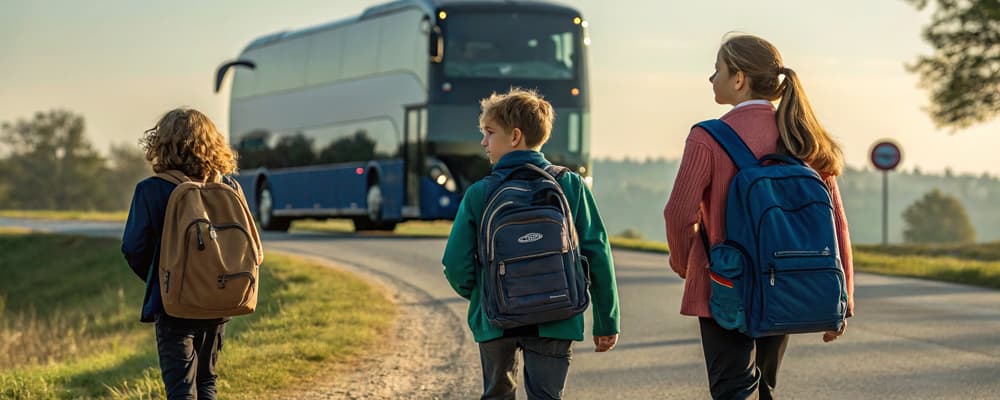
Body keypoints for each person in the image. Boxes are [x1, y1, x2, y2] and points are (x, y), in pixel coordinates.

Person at [663, 34, 855, 399]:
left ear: (739, 79)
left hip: (725, 283)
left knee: (732, 387)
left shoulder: (708, 137)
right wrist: (843, 295)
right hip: (784, 280)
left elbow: (678, 212)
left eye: (717, 69)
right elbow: (836, 223)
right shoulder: (802, 135)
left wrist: (684, 261)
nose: (711, 78)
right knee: (763, 384)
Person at [443, 88, 621, 400]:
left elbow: (455, 264)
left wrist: (481, 294)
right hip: (557, 315)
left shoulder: (480, 193)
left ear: (514, 136)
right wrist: (607, 319)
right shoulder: (569, 184)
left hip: (496, 318)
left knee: (497, 395)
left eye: (489, 133)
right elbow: (596, 251)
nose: (483, 142)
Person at [122, 108, 240, 400]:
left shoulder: (150, 190)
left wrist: (166, 279)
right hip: (218, 298)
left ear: (161, 144)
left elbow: (133, 247)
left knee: (180, 389)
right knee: (207, 382)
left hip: (173, 303)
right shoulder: (230, 187)